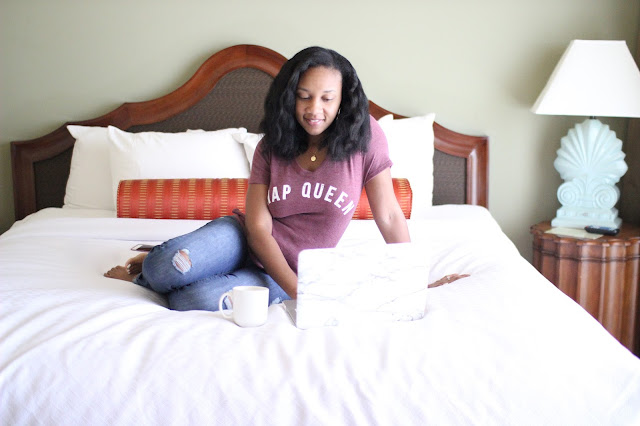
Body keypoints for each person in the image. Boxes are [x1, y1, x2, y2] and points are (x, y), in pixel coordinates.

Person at [104, 46, 463, 311]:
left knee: (193, 301)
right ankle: (148, 268)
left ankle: (184, 269)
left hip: (292, 268)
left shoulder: (364, 137)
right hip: (242, 238)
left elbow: (389, 215)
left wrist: (413, 282)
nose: (314, 109)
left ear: (343, 100)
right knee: (166, 266)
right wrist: (299, 292)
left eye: (327, 99)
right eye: (304, 97)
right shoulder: (272, 143)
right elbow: (258, 228)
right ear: (290, 98)